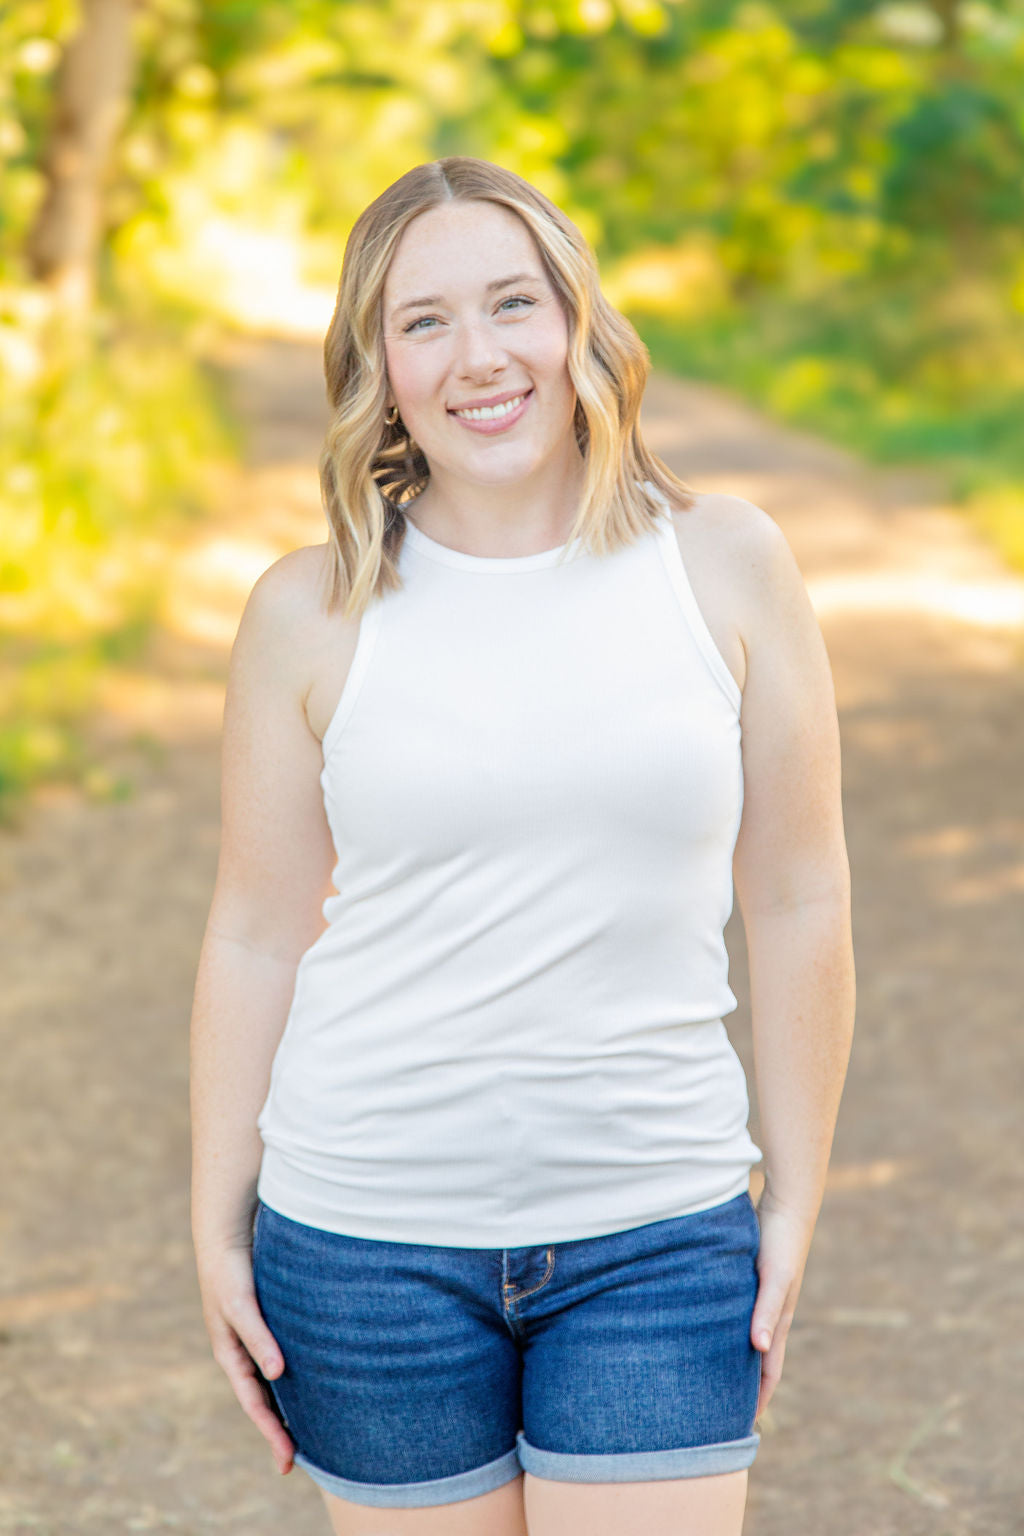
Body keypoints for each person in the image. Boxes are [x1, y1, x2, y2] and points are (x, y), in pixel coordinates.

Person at [189, 156, 856, 1536]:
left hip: (658, 1233)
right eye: (425, 321)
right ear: (377, 365)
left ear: (580, 325)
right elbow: (256, 926)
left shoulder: (724, 564)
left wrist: (794, 1195)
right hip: (365, 1246)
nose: (479, 356)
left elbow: (797, 895)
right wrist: (214, 1225)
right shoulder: (310, 610)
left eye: (513, 303)